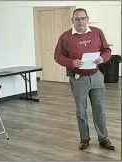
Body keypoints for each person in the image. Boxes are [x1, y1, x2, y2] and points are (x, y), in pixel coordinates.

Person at [54, 8, 115, 151]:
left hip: (96, 76)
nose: (80, 21)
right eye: (77, 19)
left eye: (83, 18)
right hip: (78, 78)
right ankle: (84, 138)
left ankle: (103, 138)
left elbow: (107, 50)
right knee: (81, 110)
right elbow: (57, 56)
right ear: (72, 21)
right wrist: (71, 62)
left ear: (87, 19)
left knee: (99, 109)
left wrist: (103, 58)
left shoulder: (97, 32)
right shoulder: (65, 37)